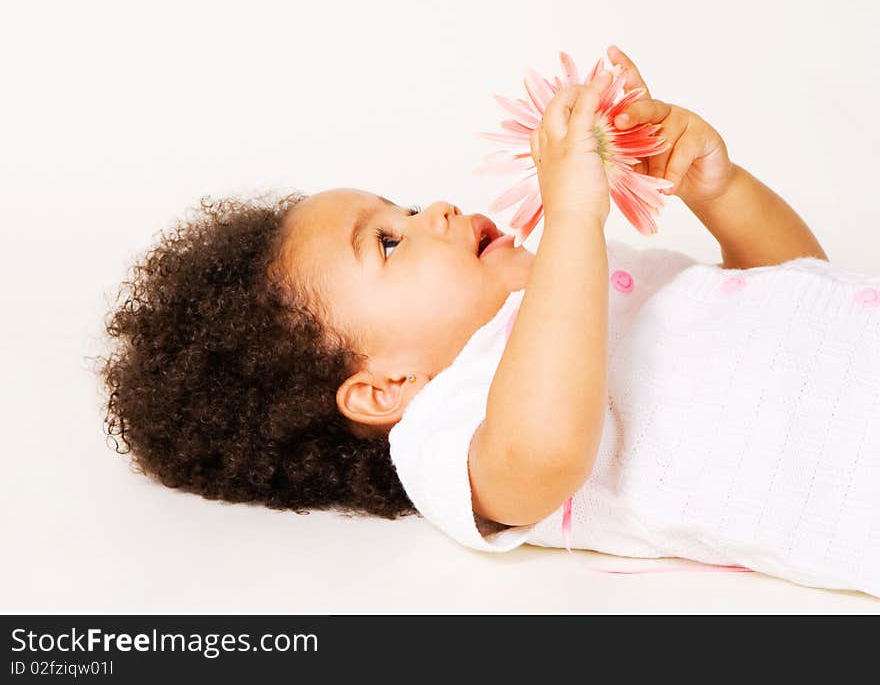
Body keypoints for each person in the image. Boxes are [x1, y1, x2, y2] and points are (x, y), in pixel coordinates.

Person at [99, 47, 879, 597]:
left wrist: (719, 187)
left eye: (401, 204)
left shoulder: (580, 287)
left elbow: (803, 294)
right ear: (385, 386)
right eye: (390, 240)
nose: (433, 208)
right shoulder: (452, 424)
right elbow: (544, 456)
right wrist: (573, 214)